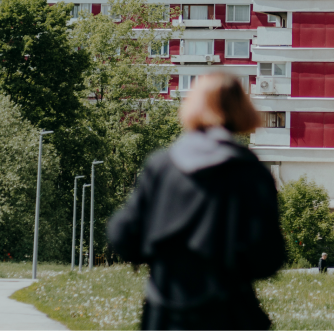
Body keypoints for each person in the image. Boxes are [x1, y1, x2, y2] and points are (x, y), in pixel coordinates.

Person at [108, 72, 284, 331]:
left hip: (164, 314)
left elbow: (121, 235)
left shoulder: (161, 167)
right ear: (242, 107)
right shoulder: (251, 172)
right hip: (230, 315)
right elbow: (268, 257)